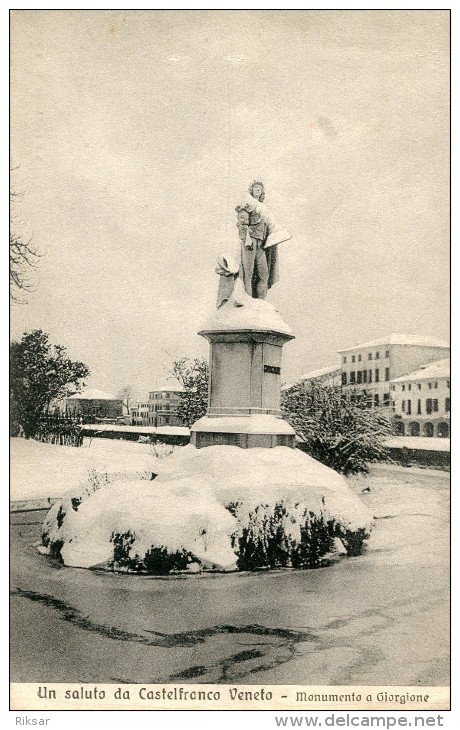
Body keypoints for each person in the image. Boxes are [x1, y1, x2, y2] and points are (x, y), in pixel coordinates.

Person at [235, 180, 290, 299]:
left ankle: (261, 302)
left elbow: (269, 226)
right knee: (248, 273)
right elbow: (242, 224)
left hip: (261, 244)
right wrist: (247, 238)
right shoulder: (247, 204)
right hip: (250, 243)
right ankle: (247, 300)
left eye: (260, 188)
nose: (258, 189)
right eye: (256, 187)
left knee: (264, 274)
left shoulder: (264, 209)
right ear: (251, 190)